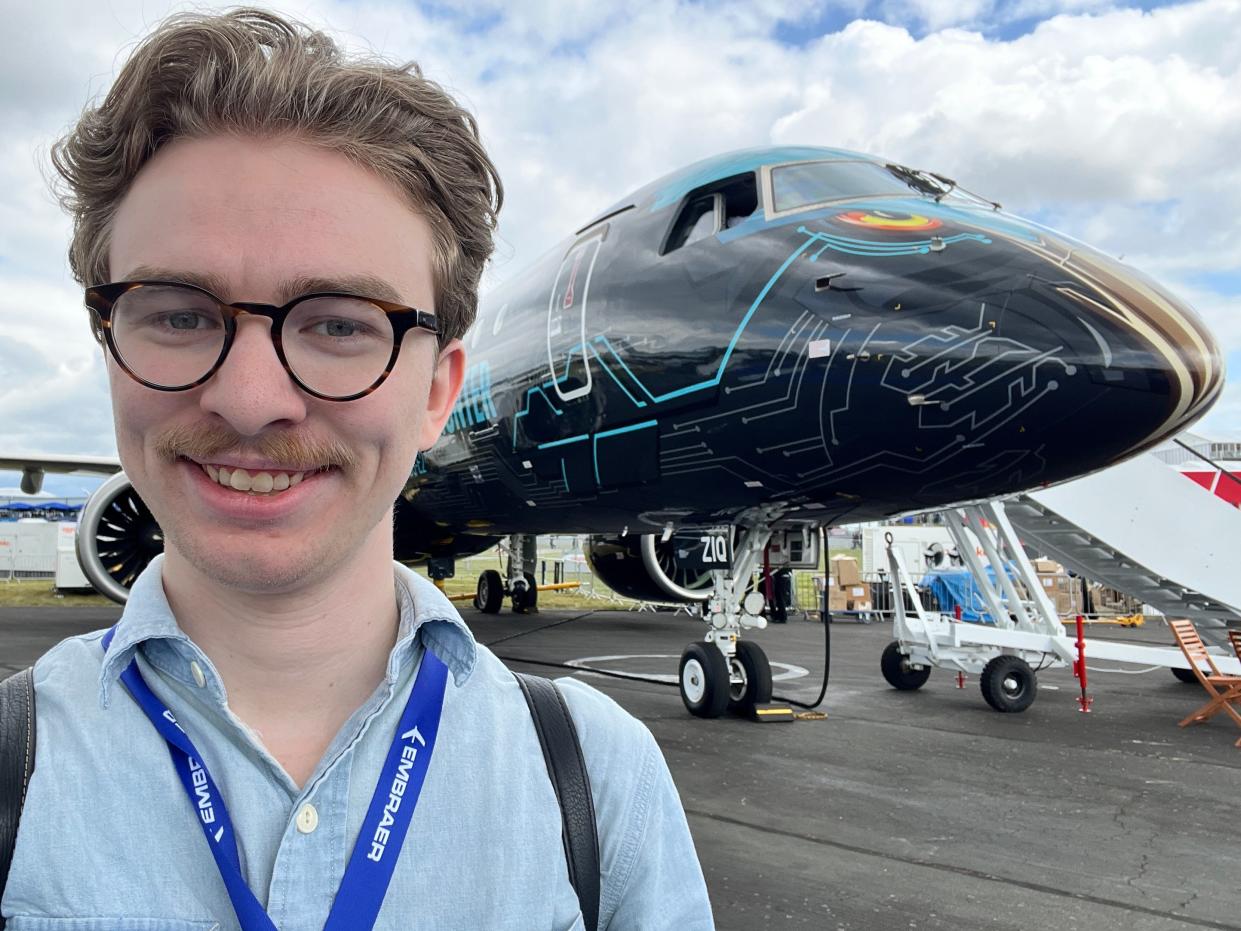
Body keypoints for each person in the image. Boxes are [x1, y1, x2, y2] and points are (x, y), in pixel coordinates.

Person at [2, 9, 712, 929]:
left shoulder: (594, 775)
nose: (250, 398)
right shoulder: (14, 764)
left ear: (435, 391)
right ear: (107, 345)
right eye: (176, 312)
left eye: (339, 322)